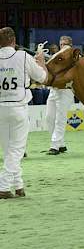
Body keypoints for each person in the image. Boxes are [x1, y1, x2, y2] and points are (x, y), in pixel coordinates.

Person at [0, 27, 48, 198]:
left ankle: (18, 184)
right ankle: (4, 186)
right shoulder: (22, 56)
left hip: (1, 108)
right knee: (17, 150)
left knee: (8, 150)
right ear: (13, 40)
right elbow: (43, 78)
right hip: (18, 107)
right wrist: (41, 61)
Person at [45, 36, 74, 155]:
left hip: (66, 91)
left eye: (65, 44)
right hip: (53, 90)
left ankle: (55, 146)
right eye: (61, 44)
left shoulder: (75, 58)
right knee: (49, 118)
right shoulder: (56, 58)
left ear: (70, 46)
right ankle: (60, 144)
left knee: (60, 119)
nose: (63, 46)